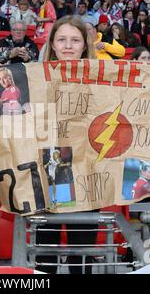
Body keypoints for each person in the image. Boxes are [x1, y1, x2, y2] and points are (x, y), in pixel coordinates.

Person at [40, 15, 97, 275]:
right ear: (52, 44)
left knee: (81, 256)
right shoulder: (33, 79)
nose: (68, 46)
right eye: (61, 39)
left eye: (75, 40)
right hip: (47, 176)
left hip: (87, 177)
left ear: (85, 45)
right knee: (44, 254)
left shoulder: (103, 79)